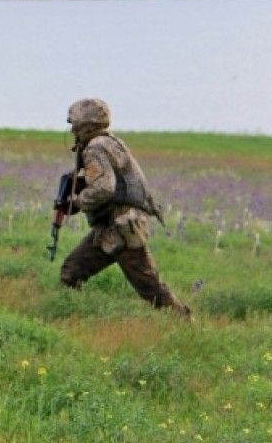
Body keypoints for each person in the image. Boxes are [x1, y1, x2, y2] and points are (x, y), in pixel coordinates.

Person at [58, 98, 191, 317]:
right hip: (113, 228)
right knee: (71, 272)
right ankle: (72, 317)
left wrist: (79, 201)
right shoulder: (110, 142)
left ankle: (184, 323)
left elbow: (104, 187)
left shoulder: (95, 148)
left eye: (74, 123)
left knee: (150, 287)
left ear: (86, 124)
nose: (72, 128)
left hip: (121, 228)